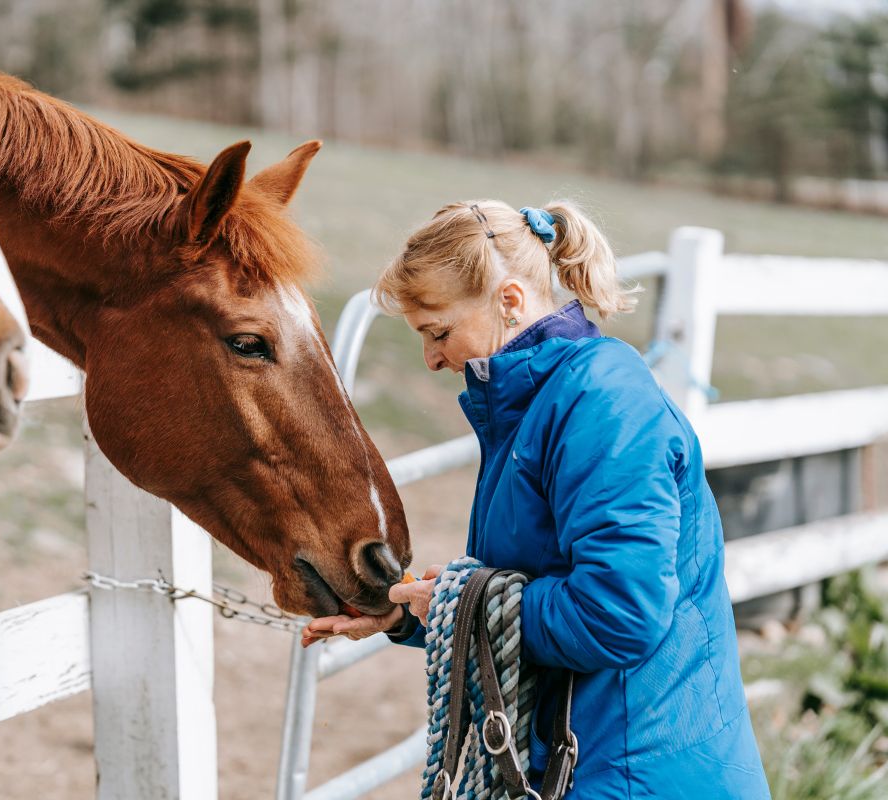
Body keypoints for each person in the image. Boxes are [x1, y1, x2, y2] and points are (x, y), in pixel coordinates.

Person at [302, 200, 771, 798]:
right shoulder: (538, 407)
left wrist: (457, 601)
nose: (432, 359)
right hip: (592, 762)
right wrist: (409, 613)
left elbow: (618, 613)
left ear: (511, 301)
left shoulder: (605, 406)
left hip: (635, 774)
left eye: (440, 331)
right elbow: (529, 588)